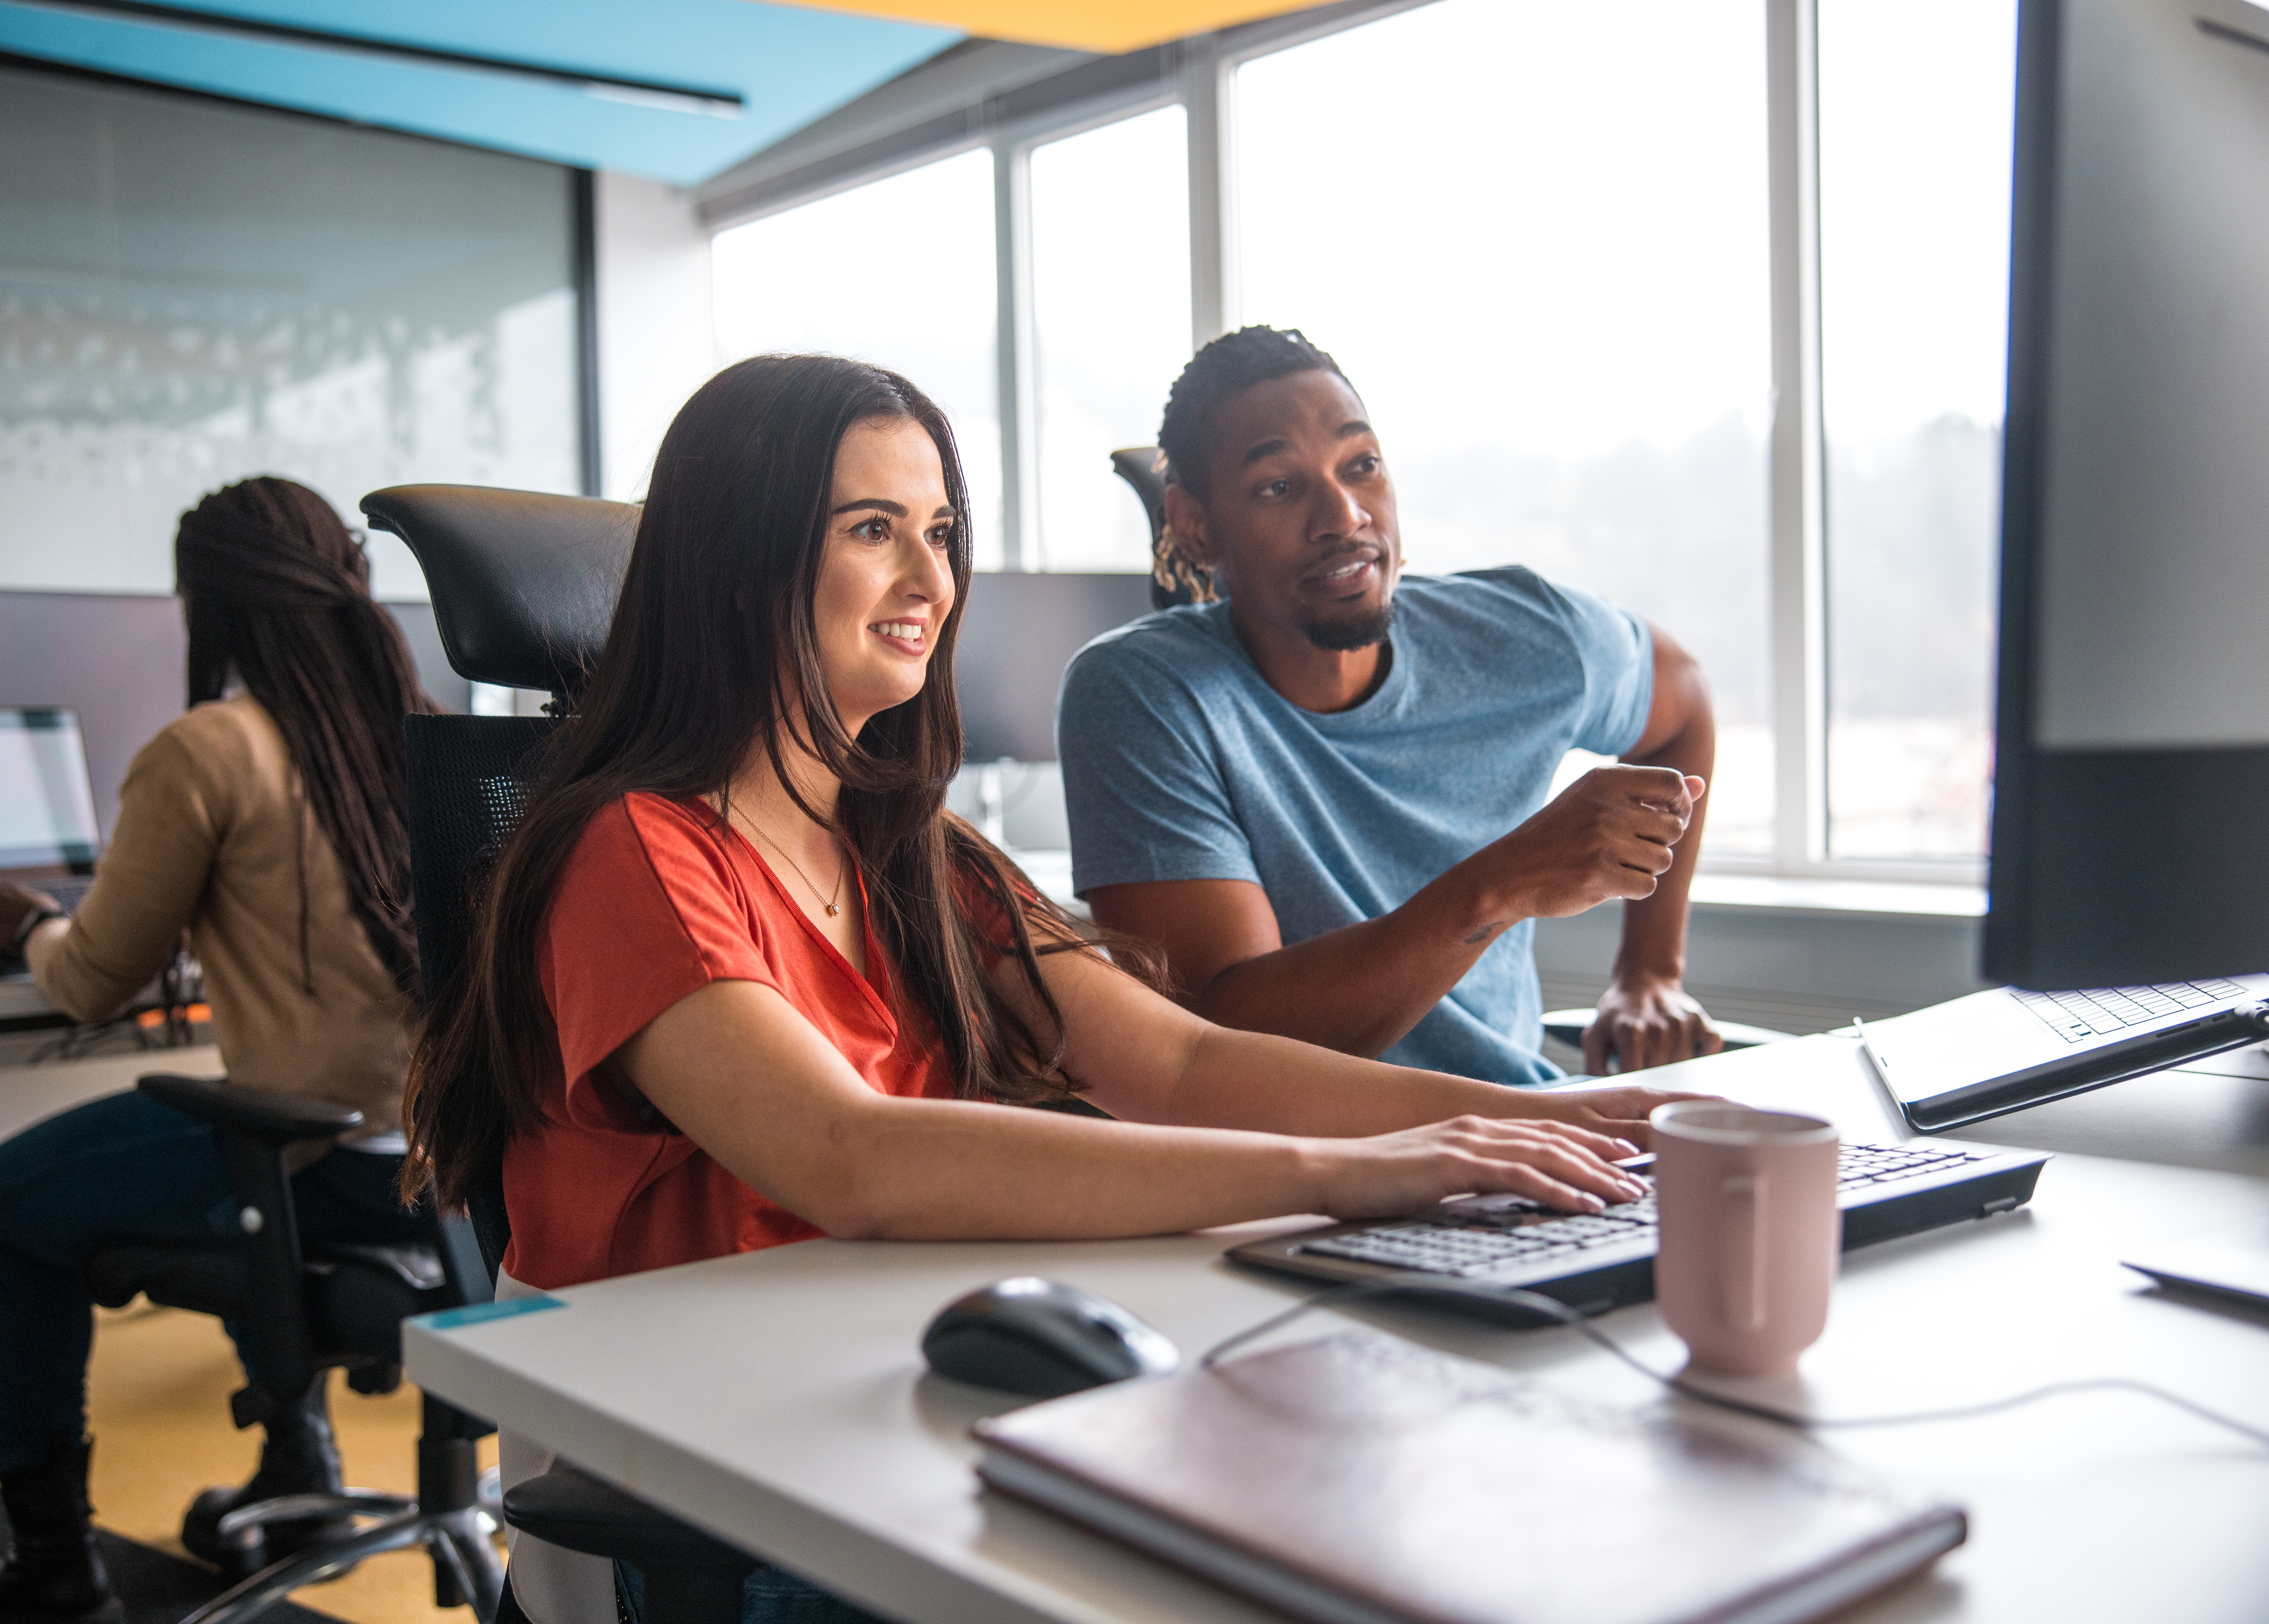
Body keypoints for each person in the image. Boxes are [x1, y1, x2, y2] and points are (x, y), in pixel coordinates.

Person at [403, 354, 1705, 1624]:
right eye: (875, 530)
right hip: (707, 1477)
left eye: (941, 531)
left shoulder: (913, 849)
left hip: (872, 1398)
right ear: (744, 568)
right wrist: (1341, 1170)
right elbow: (847, 1158)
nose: (930, 579)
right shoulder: (635, 850)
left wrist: (1544, 1126)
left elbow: (1179, 1064)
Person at [0, 477, 439, 1623]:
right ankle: (298, 1476)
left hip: (317, 1163)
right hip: (444, 1179)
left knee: (3, 1210)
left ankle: (55, 1568)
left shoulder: (211, 748)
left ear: (206, 604)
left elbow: (94, 977)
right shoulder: (427, 734)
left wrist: (25, 924)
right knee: (230, 1132)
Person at [1057, 326, 1724, 1086]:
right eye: (1279, 485)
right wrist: (1501, 883)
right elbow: (1224, 1041)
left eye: (1362, 466)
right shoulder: (1143, 695)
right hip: (1302, 1172)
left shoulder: (1527, 636)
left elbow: (1685, 704)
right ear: (1196, 525)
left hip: (1530, 1133)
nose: (1343, 515)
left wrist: (1650, 972)